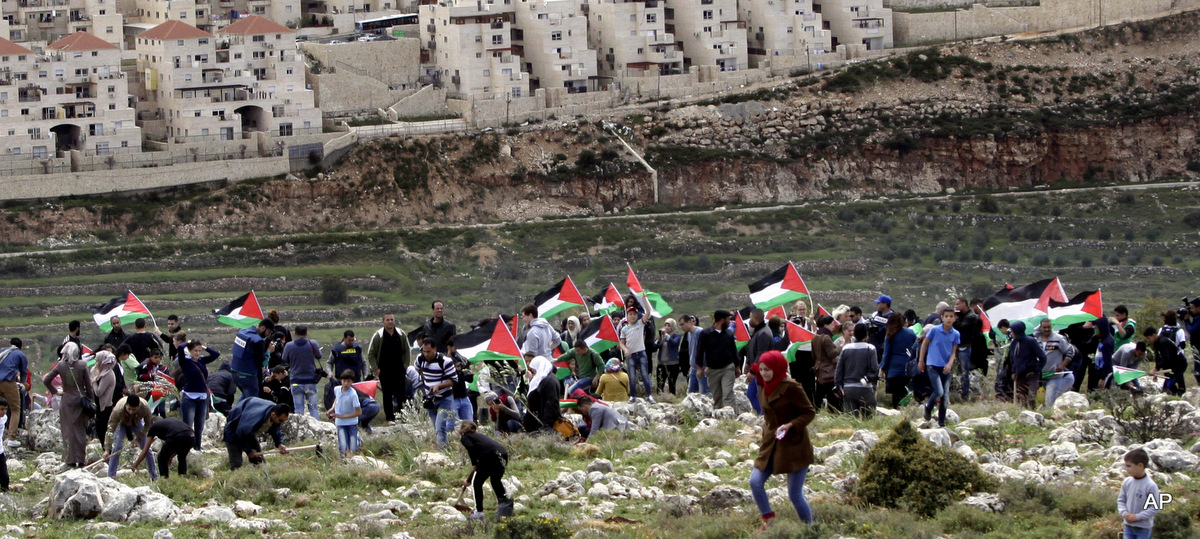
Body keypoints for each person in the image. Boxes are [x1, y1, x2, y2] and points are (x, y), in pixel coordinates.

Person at [747, 350, 815, 532]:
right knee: (755, 481)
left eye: (768, 369)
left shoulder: (791, 387)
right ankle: (769, 520)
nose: (764, 373)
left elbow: (809, 412)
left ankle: (810, 529)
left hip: (794, 444)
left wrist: (791, 424)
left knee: (794, 494)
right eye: (761, 369)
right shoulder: (762, 384)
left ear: (777, 368)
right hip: (771, 443)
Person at [43, 342, 94, 468]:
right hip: (80, 399)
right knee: (81, 430)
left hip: (66, 399)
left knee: (68, 430)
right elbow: (89, 386)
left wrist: (56, 392)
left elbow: (47, 380)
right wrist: (91, 401)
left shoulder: (60, 366)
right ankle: (81, 459)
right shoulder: (82, 365)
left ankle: (70, 459)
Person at [459, 420, 513, 521]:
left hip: (489, 457)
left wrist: (474, 463)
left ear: (462, 430)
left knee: (477, 483)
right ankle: (505, 510)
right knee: (495, 481)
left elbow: (470, 448)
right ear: (474, 429)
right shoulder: (479, 436)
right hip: (502, 454)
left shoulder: (465, 437)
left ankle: (479, 513)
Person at [223, 398, 290, 470]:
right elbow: (240, 433)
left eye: (284, 421)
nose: (281, 423)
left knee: (259, 460)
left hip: (248, 431)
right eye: (280, 421)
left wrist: (280, 444)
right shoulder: (255, 417)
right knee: (237, 464)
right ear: (273, 414)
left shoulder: (275, 411)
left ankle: (262, 475)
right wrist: (249, 451)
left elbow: (276, 429)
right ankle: (237, 477)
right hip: (233, 431)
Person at [918, 308, 959, 428]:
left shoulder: (955, 334)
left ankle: (942, 422)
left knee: (945, 396)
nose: (949, 318)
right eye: (946, 316)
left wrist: (950, 364)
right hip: (932, 364)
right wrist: (921, 361)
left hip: (945, 367)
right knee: (939, 391)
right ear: (942, 318)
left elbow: (953, 352)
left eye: (951, 316)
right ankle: (928, 407)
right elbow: (925, 343)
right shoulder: (934, 330)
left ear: (954, 318)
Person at [101, 395, 157, 479]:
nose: (131, 412)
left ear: (138, 407)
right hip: (122, 422)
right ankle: (111, 477)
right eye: (129, 409)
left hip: (137, 423)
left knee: (146, 448)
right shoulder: (118, 410)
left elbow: (148, 424)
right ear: (126, 405)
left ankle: (153, 476)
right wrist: (107, 449)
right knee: (117, 447)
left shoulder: (145, 408)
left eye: (134, 409)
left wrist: (138, 439)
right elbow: (110, 428)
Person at [416, 338, 458, 449]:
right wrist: (426, 381)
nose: (426, 354)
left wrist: (438, 386)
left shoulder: (445, 361)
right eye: (424, 351)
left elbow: (453, 380)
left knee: (440, 427)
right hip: (430, 398)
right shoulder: (420, 359)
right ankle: (445, 447)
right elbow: (418, 369)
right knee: (436, 427)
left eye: (428, 351)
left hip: (445, 398)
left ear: (435, 349)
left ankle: (442, 451)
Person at [367, 313, 409, 422]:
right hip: (384, 370)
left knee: (401, 394)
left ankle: (403, 416)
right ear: (383, 321)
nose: (390, 321)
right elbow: (371, 353)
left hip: (399, 369)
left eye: (392, 319)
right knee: (387, 395)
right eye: (387, 320)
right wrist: (376, 369)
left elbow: (407, 350)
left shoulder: (401, 334)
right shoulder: (378, 335)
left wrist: (405, 365)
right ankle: (390, 418)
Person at [179, 340, 219, 450]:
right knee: (187, 424)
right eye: (195, 350)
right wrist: (187, 343)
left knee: (199, 426)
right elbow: (179, 349)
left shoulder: (201, 361)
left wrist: (205, 347)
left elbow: (216, 354)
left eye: (199, 351)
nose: (197, 353)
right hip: (189, 397)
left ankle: (198, 447)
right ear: (190, 351)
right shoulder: (185, 361)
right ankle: (185, 447)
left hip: (202, 397)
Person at [698, 310, 738, 410]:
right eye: (728, 319)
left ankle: (730, 417)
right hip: (712, 370)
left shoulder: (729, 334)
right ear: (721, 320)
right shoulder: (705, 334)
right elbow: (699, 351)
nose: (730, 322)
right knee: (717, 396)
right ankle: (718, 417)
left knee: (728, 394)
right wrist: (699, 368)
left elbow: (734, 351)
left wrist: (737, 367)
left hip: (728, 368)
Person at [129, 417, 194, 480]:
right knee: (182, 457)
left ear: (153, 422)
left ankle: (165, 481)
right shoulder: (171, 422)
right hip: (192, 436)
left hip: (177, 436)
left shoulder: (153, 427)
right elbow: (178, 442)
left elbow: (145, 451)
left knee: (161, 458)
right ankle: (182, 479)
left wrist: (135, 465)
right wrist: (170, 456)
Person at [836, 324, 879, 418]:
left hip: (848, 389)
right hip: (865, 388)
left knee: (850, 420)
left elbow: (839, 369)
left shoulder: (846, 348)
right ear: (866, 335)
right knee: (869, 418)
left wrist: (838, 386)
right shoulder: (870, 348)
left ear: (854, 334)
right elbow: (874, 369)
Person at [1117, 448, 1161, 539]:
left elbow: (1155, 508)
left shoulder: (1150, 485)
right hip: (1128, 526)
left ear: (1140, 465)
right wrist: (1124, 513)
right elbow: (1121, 500)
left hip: (1143, 528)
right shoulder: (1127, 482)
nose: (1126, 469)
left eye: (1129, 466)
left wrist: (1137, 517)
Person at [282, 326, 323, 420]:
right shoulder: (312, 343)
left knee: (298, 409)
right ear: (306, 333)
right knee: (313, 408)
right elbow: (319, 356)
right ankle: (317, 429)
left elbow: (284, 359)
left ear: (295, 333)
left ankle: (299, 429)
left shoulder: (289, 346)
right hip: (311, 380)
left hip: (296, 380)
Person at [1005, 321, 1047, 410]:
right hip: (1020, 375)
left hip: (1031, 374)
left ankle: (1034, 412)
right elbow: (1013, 359)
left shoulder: (1030, 341)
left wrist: (1035, 370)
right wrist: (1014, 371)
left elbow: (1043, 357)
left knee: (1031, 397)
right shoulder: (1013, 343)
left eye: (1012, 331)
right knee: (1021, 398)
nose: (1011, 333)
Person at [231, 319, 276, 401]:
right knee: (252, 401)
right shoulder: (258, 341)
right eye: (269, 331)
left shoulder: (243, 332)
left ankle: (236, 412)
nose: (269, 334)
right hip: (248, 376)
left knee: (245, 396)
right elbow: (263, 362)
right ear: (263, 328)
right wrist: (268, 351)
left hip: (235, 372)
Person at [1035, 318, 1076, 409]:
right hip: (1041, 377)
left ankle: (1051, 418)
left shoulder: (1059, 339)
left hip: (1055, 376)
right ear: (1040, 328)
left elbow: (1071, 351)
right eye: (1044, 327)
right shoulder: (1037, 339)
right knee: (1041, 401)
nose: (1046, 329)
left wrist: (1063, 365)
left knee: (1050, 400)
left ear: (1051, 327)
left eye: (1048, 327)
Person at [879, 314, 916, 409]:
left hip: (894, 370)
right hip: (908, 369)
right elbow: (915, 349)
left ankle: (896, 412)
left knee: (896, 396)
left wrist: (882, 368)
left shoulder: (890, 334)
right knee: (907, 395)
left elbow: (886, 353)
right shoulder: (911, 333)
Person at [619, 306, 654, 403]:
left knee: (644, 375)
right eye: (630, 314)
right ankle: (632, 396)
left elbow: (648, 312)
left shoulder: (640, 323)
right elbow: (621, 343)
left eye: (634, 314)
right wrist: (625, 350)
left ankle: (649, 395)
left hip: (641, 352)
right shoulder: (624, 329)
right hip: (631, 355)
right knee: (632, 376)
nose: (633, 316)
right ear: (627, 316)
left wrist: (644, 299)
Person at [325, 330, 365, 410]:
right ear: (344, 339)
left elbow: (363, 363)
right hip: (342, 381)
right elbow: (329, 363)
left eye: (352, 340)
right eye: (349, 340)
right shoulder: (336, 349)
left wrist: (365, 375)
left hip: (356, 380)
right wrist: (330, 373)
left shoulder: (357, 349)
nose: (351, 342)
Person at [743, 309, 773, 415]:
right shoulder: (759, 331)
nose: (749, 320)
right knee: (751, 394)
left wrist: (752, 371)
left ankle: (764, 415)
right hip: (756, 369)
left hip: (761, 371)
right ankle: (761, 414)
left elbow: (761, 354)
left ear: (755, 318)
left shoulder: (764, 333)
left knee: (760, 394)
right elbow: (753, 349)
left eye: (750, 317)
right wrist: (748, 362)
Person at [811, 315, 843, 412]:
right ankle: (834, 412)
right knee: (831, 394)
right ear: (826, 325)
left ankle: (816, 411)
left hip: (819, 368)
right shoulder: (826, 338)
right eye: (832, 324)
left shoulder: (815, 337)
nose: (834, 326)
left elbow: (813, 355)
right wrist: (840, 346)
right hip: (828, 369)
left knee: (819, 394)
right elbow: (832, 354)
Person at [522, 356, 562, 434]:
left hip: (545, 422)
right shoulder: (545, 379)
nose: (532, 370)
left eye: (534, 368)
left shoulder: (549, 381)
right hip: (539, 420)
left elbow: (551, 402)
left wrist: (546, 422)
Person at [952, 298, 982, 400]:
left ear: (964, 304)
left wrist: (955, 320)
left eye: (958, 304)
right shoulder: (961, 315)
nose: (956, 306)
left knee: (965, 371)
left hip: (964, 346)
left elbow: (961, 328)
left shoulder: (971, 317)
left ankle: (965, 394)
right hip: (957, 346)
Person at [328, 370, 362, 458]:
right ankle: (343, 461)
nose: (346, 383)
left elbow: (358, 412)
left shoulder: (353, 394)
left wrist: (341, 416)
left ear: (352, 382)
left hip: (351, 423)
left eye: (348, 381)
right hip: (340, 423)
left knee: (353, 448)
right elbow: (337, 399)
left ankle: (358, 441)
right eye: (344, 381)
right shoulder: (337, 389)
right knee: (342, 445)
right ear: (341, 380)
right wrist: (332, 409)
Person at [0, 339, 28, 442]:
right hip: (8, 382)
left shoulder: (3, 351)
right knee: (15, 409)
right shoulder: (20, 354)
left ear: (10, 345)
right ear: (21, 347)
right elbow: (24, 372)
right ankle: (11, 437)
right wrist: (23, 383)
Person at [1146, 325, 1187, 396]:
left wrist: (1155, 369)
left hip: (1179, 365)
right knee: (1170, 385)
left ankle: (1180, 393)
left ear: (1154, 335)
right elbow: (1158, 358)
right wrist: (1156, 372)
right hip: (1171, 365)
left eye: (1148, 338)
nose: (1148, 340)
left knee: (1167, 387)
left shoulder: (1163, 342)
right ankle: (1177, 392)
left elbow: (1165, 358)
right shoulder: (1156, 343)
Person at [445, 336, 475, 423]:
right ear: (449, 347)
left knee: (469, 423)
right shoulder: (445, 361)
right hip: (452, 398)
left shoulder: (461, 360)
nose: (457, 350)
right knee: (453, 425)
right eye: (455, 347)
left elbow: (470, 379)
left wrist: (467, 367)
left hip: (464, 396)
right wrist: (456, 370)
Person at [90, 350, 118, 441]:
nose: (96, 363)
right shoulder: (102, 373)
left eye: (98, 360)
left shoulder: (108, 374)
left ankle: (107, 451)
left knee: (103, 432)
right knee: (100, 431)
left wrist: (94, 381)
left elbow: (99, 391)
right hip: (100, 406)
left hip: (105, 407)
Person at [679, 315, 708, 395]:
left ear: (689, 322)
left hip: (701, 366)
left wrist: (704, 366)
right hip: (693, 367)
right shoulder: (688, 334)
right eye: (680, 325)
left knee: (704, 391)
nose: (681, 327)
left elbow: (705, 350)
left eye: (682, 324)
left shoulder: (700, 332)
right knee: (690, 392)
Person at [655, 318, 682, 396]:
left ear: (673, 326)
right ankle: (659, 399)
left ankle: (672, 399)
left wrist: (666, 336)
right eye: (665, 325)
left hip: (673, 364)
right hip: (661, 364)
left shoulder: (676, 335)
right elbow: (654, 347)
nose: (666, 327)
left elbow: (674, 344)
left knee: (672, 384)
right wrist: (658, 340)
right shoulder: (662, 337)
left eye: (669, 325)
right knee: (660, 384)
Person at [1090, 316, 1116, 392]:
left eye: (1096, 328)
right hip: (1098, 370)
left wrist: (1102, 378)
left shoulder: (1107, 342)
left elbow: (1107, 362)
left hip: (1104, 373)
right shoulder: (1102, 339)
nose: (1095, 330)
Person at [867, 295, 893, 360]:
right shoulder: (875, 315)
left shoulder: (893, 317)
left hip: (883, 348)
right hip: (872, 345)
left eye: (879, 303)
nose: (877, 305)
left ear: (885, 304)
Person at [0, 398, 9, 490]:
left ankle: (5, 492)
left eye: (5, 409)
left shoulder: (4, 418)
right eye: (1, 409)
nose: (4, 412)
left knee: (4, 477)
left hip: (0, 450)